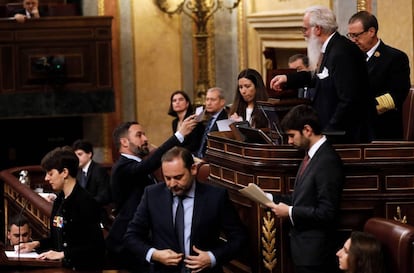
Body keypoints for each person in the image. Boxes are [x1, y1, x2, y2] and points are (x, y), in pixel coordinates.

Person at [124, 146, 248, 273]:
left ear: (193, 169)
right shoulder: (152, 195)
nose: (172, 184)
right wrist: (154, 254)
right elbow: (131, 236)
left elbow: (239, 238)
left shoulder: (216, 197)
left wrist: (212, 257)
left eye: (178, 177)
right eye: (167, 178)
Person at [270, 5, 372, 144]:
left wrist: (328, 133)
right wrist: (287, 78)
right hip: (332, 133)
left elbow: (348, 100)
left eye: (305, 29)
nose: (304, 33)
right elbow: (318, 76)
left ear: (318, 29)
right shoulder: (330, 48)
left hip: (344, 138)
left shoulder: (342, 52)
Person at [106, 116, 198, 270]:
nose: (145, 138)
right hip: (127, 245)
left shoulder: (137, 164)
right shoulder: (122, 167)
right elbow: (148, 165)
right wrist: (179, 135)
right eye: (139, 135)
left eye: (144, 134)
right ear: (124, 142)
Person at [266, 104, 344, 273]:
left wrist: (291, 212)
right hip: (304, 251)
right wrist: (268, 198)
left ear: (307, 130)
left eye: (292, 135)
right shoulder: (311, 155)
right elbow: (302, 199)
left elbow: (327, 212)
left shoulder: (327, 160)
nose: (289, 141)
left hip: (315, 255)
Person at [16, 146, 105, 270]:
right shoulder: (59, 200)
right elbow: (58, 240)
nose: (46, 178)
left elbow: (96, 247)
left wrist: (63, 254)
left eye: (50, 173)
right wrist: (36, 244)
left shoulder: (86, 201)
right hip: (62, 268)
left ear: (64, 172)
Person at [348, 11, 411, 140]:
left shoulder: (395, 58)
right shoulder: (349, 58)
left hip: (381, 130)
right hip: (353, 131)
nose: (353, 40)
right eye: (350, 36)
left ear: (371, 32)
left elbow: (396, 95)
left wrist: (364, 108)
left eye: (356, 35)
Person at [72, 139, 111, 227]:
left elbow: (104, 196)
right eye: (75, 155)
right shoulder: (78, 172)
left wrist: (85, 203)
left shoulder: (99, 170)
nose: (76, 158)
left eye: (80, 154)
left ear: (89, 154)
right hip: (82, 216)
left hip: (97, 217)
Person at [195, 87, 228, 159]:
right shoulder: (210, 119)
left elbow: (221, 148)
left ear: (222, 102)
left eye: (213, 100)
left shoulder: (225, 119)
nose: (208, 103)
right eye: (207, 99)